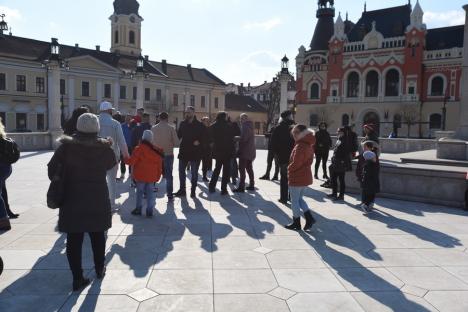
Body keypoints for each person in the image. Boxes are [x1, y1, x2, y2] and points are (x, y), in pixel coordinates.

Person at [48, 113, 116, 291]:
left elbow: (51, 170)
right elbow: (111, 163)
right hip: (97, 197)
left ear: (78, 127)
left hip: (72, 198)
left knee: (74, 238)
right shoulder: (104, 148)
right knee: (97, 235)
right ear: (97, 128)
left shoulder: (65, 147)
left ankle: (77, 278)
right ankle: (100, 269)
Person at [284, 125, 316, 231]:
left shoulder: (301, 145)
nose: (294, 134)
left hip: (297, 176)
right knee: (299, 199)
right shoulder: (308, 144)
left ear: (302, 133)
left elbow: (296, 163)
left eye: (296, 132)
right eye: (293, 132)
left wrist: (289, 169)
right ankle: (309, 218)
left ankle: (296, 223)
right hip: (304, 176)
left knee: (294, 201)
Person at [98, 101, 129, 207]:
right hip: (112, 157)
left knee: (98, 181)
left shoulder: (94, 121)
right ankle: (110, 205)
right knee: (112, 182)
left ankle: (98, 203)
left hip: (96, 157)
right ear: (109, 110)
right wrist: (126, 155)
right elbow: (122, 141)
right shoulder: (115, 123)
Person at [125, 130, 163, 217]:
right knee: (150, 193)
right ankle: (149, 211)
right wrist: (158, 176)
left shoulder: (138, 149)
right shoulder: (157, 150)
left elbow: (131, 162)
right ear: (151, 139)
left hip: (140, 176)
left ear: (143, 137)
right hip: (151, 176)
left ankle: (138, 209)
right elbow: (159, 166)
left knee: (139, 192)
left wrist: (125, 158)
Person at [175, 106, 206, 198]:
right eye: (186, 112)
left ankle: (193, 190)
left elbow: (205, 137)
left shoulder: (200, 125)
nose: (187, 114)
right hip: (184, 150)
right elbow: (178, 135)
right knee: (181, 171)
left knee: (194, 172)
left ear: (193, 113)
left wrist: (199, 141)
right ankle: (182, 190)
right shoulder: (183, 123)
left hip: (195, 152)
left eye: (189, 112)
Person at [152, 112, 179, 200]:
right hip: (168, 154)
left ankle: (150, 190)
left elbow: (150, 142)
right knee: (169, 175)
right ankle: (170, 195)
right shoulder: (171, 128)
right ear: (167, 118)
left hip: (156, 154)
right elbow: (177, 143)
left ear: (159, 118)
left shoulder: (153, 128)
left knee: (154, 173)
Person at [271, 110, 295, 204]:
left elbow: (273, 143)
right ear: (289, 117)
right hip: (294, 156)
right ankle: (292, 197)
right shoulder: (295, 127)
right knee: (292, 178)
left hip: (282, 156)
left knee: (284, 177)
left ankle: (283, 198)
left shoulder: (278, 127)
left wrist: (277, 153)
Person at [209, 112, 235, 195]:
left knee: (217, 169)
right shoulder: (228, 126)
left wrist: (212, 145)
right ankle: (224, 189)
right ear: (224, 117)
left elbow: (209, 137)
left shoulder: (213, 125)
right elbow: (232, 140)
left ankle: (212, 187)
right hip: (227, 151)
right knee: (226, 171)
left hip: (218, 151)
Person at [327, 127, 352, 201]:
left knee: (341, 179)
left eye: (339, 131)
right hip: (336, 161)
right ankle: (334, 193)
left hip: (341, 162)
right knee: (334, 178)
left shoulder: (345, 140)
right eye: (337, 131)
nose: (337, 132)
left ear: (343, 132)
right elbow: (336, 150)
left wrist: (342, 161)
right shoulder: (339, 139)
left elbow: (346, 152)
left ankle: (341, 196)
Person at [234, 113, 256, 193]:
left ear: (246, 119)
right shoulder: (250, 126)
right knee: (249, 168)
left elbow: (244, 139)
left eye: (242, 118)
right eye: (241, 118)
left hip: (245, 152)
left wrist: (237, 138)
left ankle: (241, 187)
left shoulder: (245, 126)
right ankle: (252, 185)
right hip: (251, 151)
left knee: (241, 169)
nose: (241, 120)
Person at [0, 120, 14, 231]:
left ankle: (4, 221)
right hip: (6, 168)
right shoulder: (2, 135)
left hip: (1, 167)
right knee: (1, 191)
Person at [360, 145, 380, 214]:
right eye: (374, 157)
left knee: (371, 195)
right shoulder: (370, 165)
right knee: (370, 195)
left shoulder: (368, 164)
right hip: (371, 183)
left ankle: (367, 206)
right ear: (371, 158)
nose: (375, 158)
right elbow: (370, 175)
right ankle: (365, 205)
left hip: (370, 183)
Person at [120, 115, 134, 180]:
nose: (128, 120)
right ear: (125, 119)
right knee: (123, 160)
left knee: (131, 160)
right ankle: (122, 173)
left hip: (131, 146)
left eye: (129, 119)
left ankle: (130, 173)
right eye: (127, 119)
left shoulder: (133, 126)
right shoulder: (121, 126)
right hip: (123, 145)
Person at [229, 117, 241, 185]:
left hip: (229, 148)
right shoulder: (237, 128)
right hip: (234, 148)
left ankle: (230, 178)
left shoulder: (229, 128)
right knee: (234, 163)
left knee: (230, 164)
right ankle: (234, 177)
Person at [201, 116, 213, 182]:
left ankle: (204, 176)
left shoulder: (210, 128)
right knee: (197, 163)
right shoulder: (200, 128)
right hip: (200, 148)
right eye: (206, 121)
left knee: (205, 163)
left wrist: (212, 142)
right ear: (203, 121)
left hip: (207, 148)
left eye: (208, 121)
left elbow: (212, 137)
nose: (208, 122)